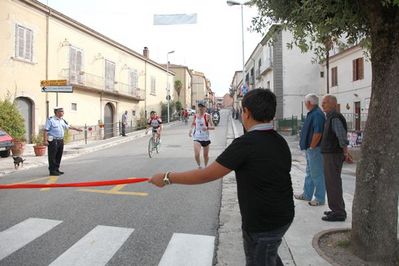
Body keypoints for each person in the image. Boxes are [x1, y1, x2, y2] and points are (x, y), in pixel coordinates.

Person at [150, 89, 294, 265]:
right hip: (282, 216)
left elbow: (206, 175)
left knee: (261, 259)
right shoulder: (279, 140)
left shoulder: (245, 144)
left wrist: (167, 177)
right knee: (268, 256)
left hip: (263, 223)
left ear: (246, 113)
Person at [320, 95, 351, 222]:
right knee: (331, 182)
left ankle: (338, 212)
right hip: (330, 154)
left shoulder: (335, 117)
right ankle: (336, 209)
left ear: (333, 104)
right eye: (322, 103)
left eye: (325, 103)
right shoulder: (330, 117)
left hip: (333, 154)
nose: (323, 105)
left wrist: (345, 152)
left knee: (333, 183)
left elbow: (341, 136)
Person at [294, 93, 326, 206]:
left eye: (305, 102)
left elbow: (318, 133)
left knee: (317, 174)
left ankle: (320, 198)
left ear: (309, 103)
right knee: (310, 172)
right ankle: (307, 194)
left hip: (315, 149)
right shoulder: (313, 113)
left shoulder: (317, 114)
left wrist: (312, 147)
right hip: (311, 149)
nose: (305, 104)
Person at [44, 107, 82, 176]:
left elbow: (68, 126)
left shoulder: (62, 120)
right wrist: (45, 140)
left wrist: (77, 129)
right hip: (53, 140)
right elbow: (46, 130)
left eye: (63, 111)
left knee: (59, 155)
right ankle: (52, 171)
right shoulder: (50, 120)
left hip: (60, 140)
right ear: (57, 112)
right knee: (52, 156)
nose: (63, 113)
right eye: (61, 111)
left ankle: (57, 169)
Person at [189, 101, 215, 168]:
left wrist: (207, 127)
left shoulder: (208, 116)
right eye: (199, 106)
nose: (200, 108)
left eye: (202, 106)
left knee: (205, 155)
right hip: (197, 137)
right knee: (196, 154)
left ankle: (206, 167)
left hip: (205, 138)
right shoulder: (195, 116)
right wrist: (190, 130)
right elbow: (193, 124)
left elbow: (213, 127)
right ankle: (199, 166)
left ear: (205, 108)